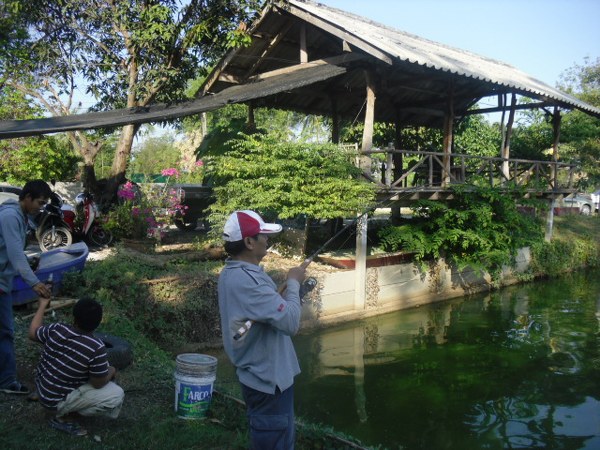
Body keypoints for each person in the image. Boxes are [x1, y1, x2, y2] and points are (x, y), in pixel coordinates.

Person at [218, 210, 306, 450]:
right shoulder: (249, 281)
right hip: (269, 384)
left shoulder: (233, 272)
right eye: (262, 236)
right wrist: (294, 283)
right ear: (248, 242)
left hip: (259, 378)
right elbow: (290, 323)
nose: (267, 240)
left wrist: (282, 294)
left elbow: (258, 311)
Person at [28, 296, 125, 436]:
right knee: (116, 394)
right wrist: (112, 370)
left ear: (74, 317)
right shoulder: (96, 347)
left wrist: (42, 305)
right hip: (55, 402)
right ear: (98, 323)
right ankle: (62, 417)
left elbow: (32, 333)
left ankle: (49, 397)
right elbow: (98, 384)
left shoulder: (57, 328)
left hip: (42, 388)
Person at [0, 179, 53, 395]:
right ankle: (6, 381)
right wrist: (35, 283)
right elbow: (14, 255)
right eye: (39, 202)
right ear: (27, 198)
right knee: (6, 332)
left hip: (3, 281)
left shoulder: (20, 215)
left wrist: (30, 264)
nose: (40, 207)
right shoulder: (11, 216)